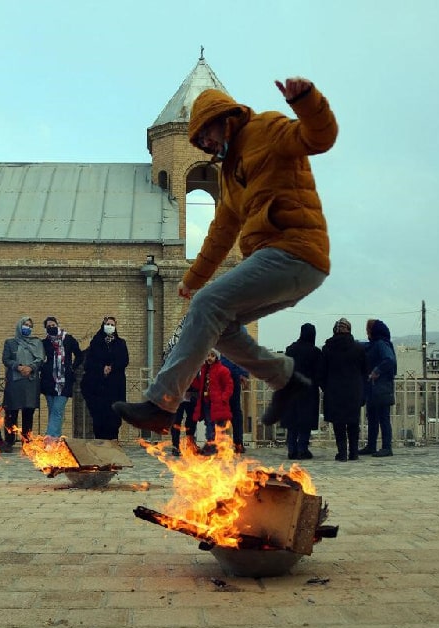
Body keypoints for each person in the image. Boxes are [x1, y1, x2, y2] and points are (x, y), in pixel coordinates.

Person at [112, 76, 338, 434]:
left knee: (207, 306)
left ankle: (162, 403)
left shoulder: (268, 128)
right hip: (283, 262)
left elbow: (319, 137)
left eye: (205, 134)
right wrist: (191, 279)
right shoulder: (230, 176)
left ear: (223, 117)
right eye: (199, 142)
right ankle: (285, 378)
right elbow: (220, 235)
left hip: (294, 249)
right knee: (220, 324)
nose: (205, 144)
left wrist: (307, 100)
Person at [322, 318, 367, 461]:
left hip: (334, 390)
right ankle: (354, 452)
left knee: (339, 423)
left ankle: (342, 453)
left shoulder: (328, 348)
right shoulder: (359, 348)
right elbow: (365, 371)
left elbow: (322, 372)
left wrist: (326, 387)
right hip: (354, 390)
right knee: (353, 422)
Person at [81, 316, 129, 441]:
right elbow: (89, 363)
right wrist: (101, 368)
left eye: (112, 324)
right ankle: (100, 445)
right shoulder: (96, 343)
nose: (110, 326)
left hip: (115, 387)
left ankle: (113, 445)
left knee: (113, 419)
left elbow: (124, 360)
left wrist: (112, 367)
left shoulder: (120, 343)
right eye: (108, 324)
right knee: (99, 418)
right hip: (99, 388)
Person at [1, 316, 44, 452]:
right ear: (19, 326)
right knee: (11, 412)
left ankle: (27, 442)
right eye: (25, 325)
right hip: (15, 381)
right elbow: (6, 359)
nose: (27, 327)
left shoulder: (37, 342)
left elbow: (41, 359)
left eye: (30, 326)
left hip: (30, 382)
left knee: (28, 412)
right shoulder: (10, 342)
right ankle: (9, 441)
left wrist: (30, 367)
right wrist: (19, 367)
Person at [281, 323, 323, 460]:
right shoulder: (315, 352)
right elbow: (319, 373)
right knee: (305, 421)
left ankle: (291, 449)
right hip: (308, 391)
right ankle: (302, 449)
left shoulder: (290, 350)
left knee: (292, 421)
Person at [40, 316, 82, 440]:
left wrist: (72, 368)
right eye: (48, 326)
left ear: (57, 325)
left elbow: (79, 355)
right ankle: (56, 438)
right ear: (46, 328)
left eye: (53, 325)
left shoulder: (68, 339)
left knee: (57, 410)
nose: (51, 327)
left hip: (64, 381)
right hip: (49, 381)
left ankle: (49, 439)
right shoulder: (44, 343)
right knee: (53, 411)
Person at [191, 349, 234, 454]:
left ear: (216, 357)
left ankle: (219, 448)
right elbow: (199, 385)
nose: (209, 358)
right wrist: (192, 378)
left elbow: (229, 386)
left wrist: (223, 398)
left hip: (218, 403)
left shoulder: (223, 370)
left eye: (212, 355)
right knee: (209, 425)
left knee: (220, 427)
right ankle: (210, 445)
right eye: (208, 355)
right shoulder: (204, 370)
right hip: (207, 402)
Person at [364, 319, 397, 457]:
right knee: (372, 417)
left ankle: (386, 447)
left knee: (383, 417)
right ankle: (371, 446)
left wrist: (376, 371)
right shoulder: (375, 345)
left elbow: (389, 360)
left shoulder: (381, 344)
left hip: (381, 387)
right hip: (374, 388)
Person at [220, 352, 249, 454]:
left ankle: (236, 443)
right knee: (225, 411)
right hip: (224, 376)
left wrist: (243, 374)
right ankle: (224, 443)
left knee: (232, 411)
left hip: (229, 376)